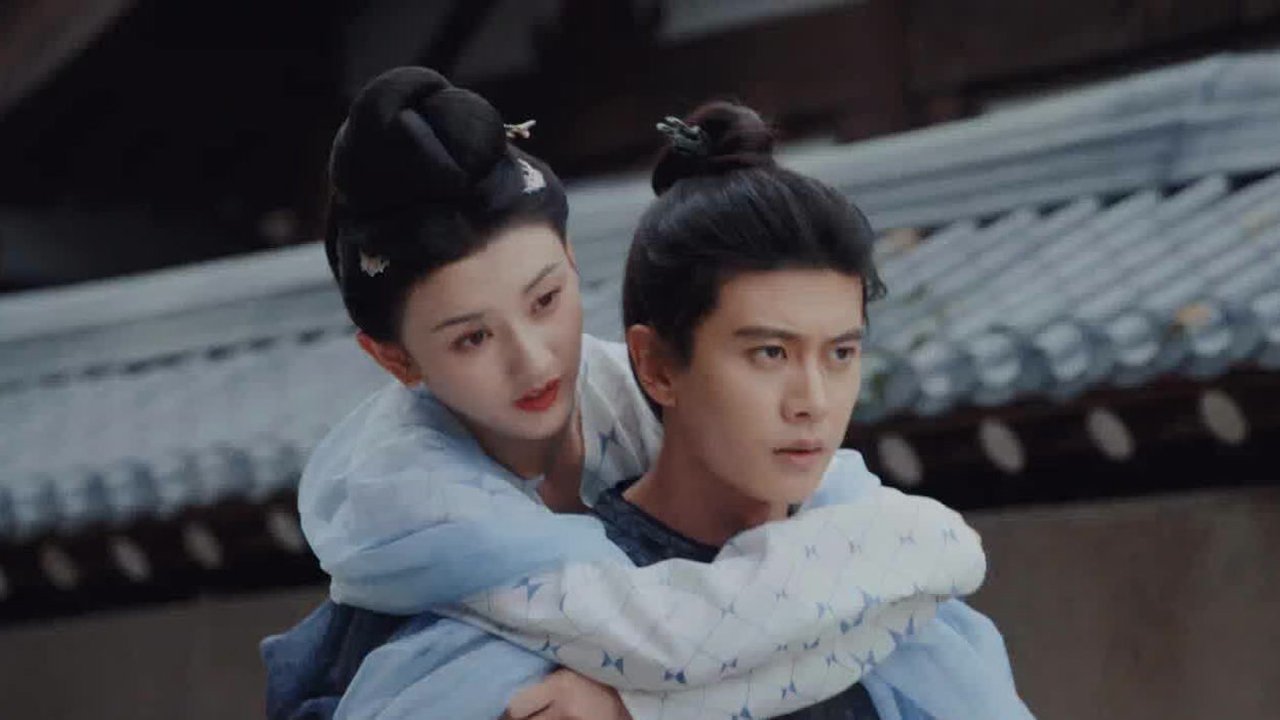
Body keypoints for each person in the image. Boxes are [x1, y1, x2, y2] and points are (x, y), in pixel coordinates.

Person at [261, 68, 986, 720]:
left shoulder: (853, 547)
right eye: (472, 338)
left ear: (573, 262)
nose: (536, 359)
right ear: (394, 358)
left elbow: (912, 553)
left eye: (546, 299)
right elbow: (669, 633)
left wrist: (640, 701)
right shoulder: (428, 538)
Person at [507, 101, 1033, 720]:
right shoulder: (575, 604)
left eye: (840, 353)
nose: (812, 401)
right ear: (657, 366)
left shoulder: (883, 578)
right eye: (770, 353)